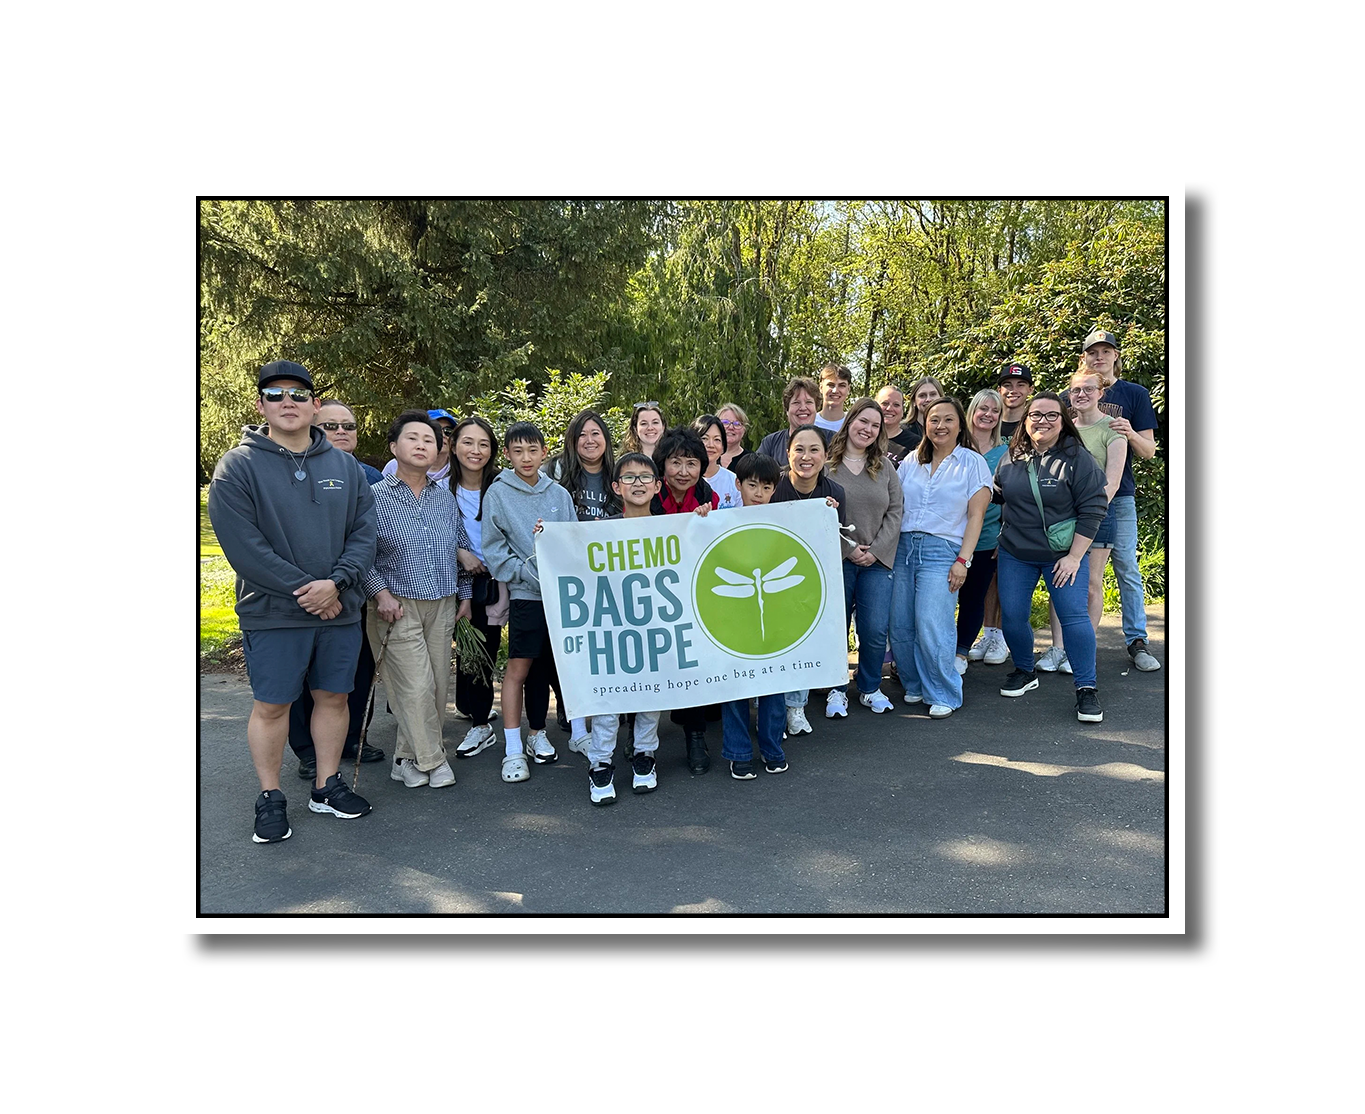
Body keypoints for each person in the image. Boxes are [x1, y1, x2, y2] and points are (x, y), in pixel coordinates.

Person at [207, 360, 377, 843]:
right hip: (275, 613)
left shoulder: (343, 466)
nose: (288, 402)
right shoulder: (237, 466)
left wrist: (337, 583)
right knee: (273, 706)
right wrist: (311, 590)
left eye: (298, 395)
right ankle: (270, 796)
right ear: (261, 404)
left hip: (339, 607)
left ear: (314, 404)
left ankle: (326, 786)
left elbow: (365, 534)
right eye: (276, 394)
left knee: (334, 697)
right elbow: (244, 547)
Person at [364, 411, 471, 789]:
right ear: (394, 447)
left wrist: (467, 595)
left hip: (441, 602)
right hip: (395, 605)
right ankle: (434, 760)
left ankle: (403, 760)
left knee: (439, 687)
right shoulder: (372, 497)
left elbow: (460, 547)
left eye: (430, 440)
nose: (424, 444)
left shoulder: (444, 500)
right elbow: (358, 554)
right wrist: (379, 592)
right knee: (415, 687)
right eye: (413, 438)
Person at [993, 392, 1110, 723]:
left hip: (1063, 555)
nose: (1042, 421)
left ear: (1064, 421)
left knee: (1073, 616)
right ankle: (1025, 670)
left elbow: (1094, 508)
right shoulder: (1012, 457)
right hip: (1016, 552)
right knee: (1013, 616)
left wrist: (1075, 557)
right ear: (1025, 421)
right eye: (1035, 415)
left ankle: (1086, 689)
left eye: (1051, 416)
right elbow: (998, 494)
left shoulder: (1077, 459)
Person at [287, 398, 385, 780]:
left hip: (357, 594)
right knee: (301, 677)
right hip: (304, 595)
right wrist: (320, 588)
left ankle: (349, 738)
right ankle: (308, 751)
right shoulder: (294, 468)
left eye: (349, 425)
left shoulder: (372, 478)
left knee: (353, 674)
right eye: (331, 425)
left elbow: (371, 536)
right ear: (313, 424)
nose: (341, 431)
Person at [481, 421, 578, 782]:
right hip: (525, 596)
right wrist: (524, 573)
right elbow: (494, 549)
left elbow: (571, 541)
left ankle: (542, 734)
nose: (525, 458)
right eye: (517, 451)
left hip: (560, 596)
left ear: (543, 452)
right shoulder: (498, 493)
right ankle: (512, 748)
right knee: (518, 669)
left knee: (558, 666)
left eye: (532, 450)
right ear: (507, 454)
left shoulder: (559, 495)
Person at [890, 397, 992, 719]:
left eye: (948, 420)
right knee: (901, 624)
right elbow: (894, 504)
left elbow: (977, 516)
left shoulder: (972, 462)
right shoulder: (911, 461)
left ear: (960, 424)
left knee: (932, 623)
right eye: (934, 420)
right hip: (903, 547)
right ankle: (915, 683)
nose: (940, 426)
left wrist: (963, 561)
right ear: (925, 424)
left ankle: (944, 692)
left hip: (942, 549)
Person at [579, 452, 667, 804]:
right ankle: (600, 763)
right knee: (608, 697)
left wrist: (702, 521)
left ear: (658, 486)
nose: (638, 484)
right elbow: (570, 558)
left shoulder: (672, 528)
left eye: (645, 478)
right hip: (612, 630)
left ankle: (644, 757)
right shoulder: (599, 532)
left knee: (651, 695)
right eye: (629, 478)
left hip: (656, 627)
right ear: (616, 487)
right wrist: (549, 537)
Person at [1073, 329, 1161, 672]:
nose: (1099, 357)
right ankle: (1074, 643)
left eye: (1105, 351)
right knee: (1078, 571)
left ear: (1115, 356)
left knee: (1126, 566)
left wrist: (1130, 432)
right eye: (1092, 352)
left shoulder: (1135, 394)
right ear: (1084, 358)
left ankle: (1137, 640)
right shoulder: (1076, 394)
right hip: (1076, 501)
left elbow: (1150, 452)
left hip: (1119, 496)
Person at [1035, 368, 1127, 674]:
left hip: (1097, 516)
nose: (1082, 395)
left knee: (1089, 584)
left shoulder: (1112, 430)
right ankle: (1057, 648)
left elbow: (1111, 484)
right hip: (1061, 521)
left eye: (1089, 389)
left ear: (1101, 393)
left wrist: (1087, 514)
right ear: (1069, 395)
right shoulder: (1062, 428)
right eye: (1076, 390)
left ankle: (1081, 650)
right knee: (1060, 581)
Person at [827, 398, 903, 715]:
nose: (868, 429)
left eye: (875, 425)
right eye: (863, 421)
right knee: (835, 627)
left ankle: (870, 687)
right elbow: (818, 512)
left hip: (876, 560)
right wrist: (848, 549)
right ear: (850, 421)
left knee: (873, 629)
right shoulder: (827, 464)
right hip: (837, 560)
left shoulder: (884, 467)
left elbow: (896, 512)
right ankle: (836, 688)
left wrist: (876, 550)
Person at [771, 424, 848, 735]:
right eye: (798, 449)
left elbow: (833, 546)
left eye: (814, 449)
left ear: (825, 455)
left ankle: (796, 708)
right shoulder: (772, 488)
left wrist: (829, 516)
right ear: (788, 454)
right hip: (770, 578)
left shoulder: (835, 494)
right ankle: (771, 707)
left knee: (803, 646)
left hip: (809, 584)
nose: (806, 456)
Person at [651, 427, 718, 774]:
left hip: (691, 594)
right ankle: (639, 736)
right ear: (662, 465)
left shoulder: (709, 497)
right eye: (675, 462)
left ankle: (695, 736)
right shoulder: (646, 492)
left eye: (692, 463)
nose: (683, 471)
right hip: (651, 593)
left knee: (691, 664)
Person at [721, 452, 790, 779]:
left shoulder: (786, 521)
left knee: (774, 684)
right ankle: (738, 751)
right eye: (752, 486)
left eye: (766, 487)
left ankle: (773, 747)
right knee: (734, 686)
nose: (759, 493)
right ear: (738, 485)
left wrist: (824, 511)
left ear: (774, 489)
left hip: (774, 616)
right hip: (733, 618)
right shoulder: (721, 520)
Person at [448, 415, 509, 761]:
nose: (475, 450)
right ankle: (480, 722)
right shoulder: (440, 490)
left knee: (533, 649)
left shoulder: (504, 485)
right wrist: (461, 554)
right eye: (468, 442)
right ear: (454, 447)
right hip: (469, 582)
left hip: (512, 578)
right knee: (477, 653)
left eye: (484, 443)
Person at [953, 389, 1011, 676]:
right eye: (982, 409)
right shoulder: (954, 446)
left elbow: (1013, 497)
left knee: (973, 598)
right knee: (942, 599)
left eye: (994, 411)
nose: (988, 415)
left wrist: (1004, 535)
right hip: (950, 536)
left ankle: (961, 652)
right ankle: (940, 649)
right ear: (972, 412)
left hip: (988, 537)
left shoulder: (1007, 452)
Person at [548, 408, 620, 522]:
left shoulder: (619, 473)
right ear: (572, 440)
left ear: (606, 438)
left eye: (595, 433)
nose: (590, 440)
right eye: (582, 435)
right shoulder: (554, 470)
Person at [382, 407, 456, 486]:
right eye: (413, 438)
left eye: (448, 431)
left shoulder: (458, 468)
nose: (443, 435)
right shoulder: (394, 466)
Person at [758, 376, 824, 463]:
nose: (803, 408)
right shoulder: (770, 443)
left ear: (816, 408)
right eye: (796, 403)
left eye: (808, 402)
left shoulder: (832, 440)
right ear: (787, 410)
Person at [693, 413, 741, 509]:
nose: (711, 445)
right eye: (704, 438)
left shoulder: (733, 481)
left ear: (723, 447)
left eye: (717, 440)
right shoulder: (684, 479)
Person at [875, 383, 915, 466]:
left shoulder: (914, 444)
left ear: (902, 410)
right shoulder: (865, 436)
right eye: (885, 403)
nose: (889, 408)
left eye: (896, 405)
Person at [900, 375, 945, 450]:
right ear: (914, 401)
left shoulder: (950, 428)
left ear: (941, 397)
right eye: (922, 395)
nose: (928, 399)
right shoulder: (902, 431)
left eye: (933, 394)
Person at [813, 363, 853, 435]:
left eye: (842, 386)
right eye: (831, 385)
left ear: (848, 389)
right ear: (821, 387)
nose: (835, 391)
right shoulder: (810, 422)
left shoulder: (853, 423)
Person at [996, 363, 1032, 441]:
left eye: (1020, 385)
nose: (1013, 390)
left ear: (1030, 389)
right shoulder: (989, 423)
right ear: (999, 390)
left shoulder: (1035, 425)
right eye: (1007, 385)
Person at [714, 402, 752, 471]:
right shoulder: (707, 457)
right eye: (725, 422)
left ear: (744, 429)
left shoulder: (752, 462)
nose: (731, 427)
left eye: (737, 424)